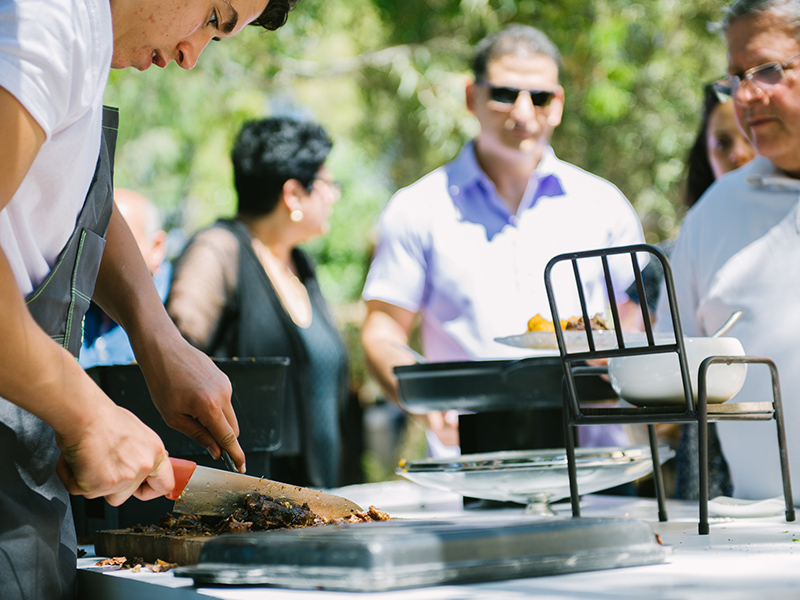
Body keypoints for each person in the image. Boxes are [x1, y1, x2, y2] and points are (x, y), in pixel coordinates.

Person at [0, 0, 297, 598]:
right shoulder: (49, 21)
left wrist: (157, 336)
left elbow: (66, 203)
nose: (191, 55)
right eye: (214, 16)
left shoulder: (77, 41)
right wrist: (88, 414)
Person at [360, 24, 646, 457]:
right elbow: (382, 330)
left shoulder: (604, 206)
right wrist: (426, 401)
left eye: (541, 97)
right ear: (472, 96)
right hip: (474, 467)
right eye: (506, 94)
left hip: (595, 462)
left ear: (559, 104)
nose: (524, 113)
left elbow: (637, 316)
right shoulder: (417, 208)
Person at [655, 0, 800, 501]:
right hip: (762, 538)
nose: (746, 94)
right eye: (736, 76)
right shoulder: (712, 215)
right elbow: (668, 372)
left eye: (767, 70)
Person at [167, 116, 349, 490]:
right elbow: (172, 355)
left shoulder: (301, 266)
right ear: (293, 194)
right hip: (249, 510)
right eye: (329, 184)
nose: (335, 195)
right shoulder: (217, 251)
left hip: (317, 503)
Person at [80, 188, 171, 368]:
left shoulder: (179, 308)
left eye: (121, 244)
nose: (103, 254)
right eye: (97, 239)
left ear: (157, 247)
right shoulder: (79, 298)